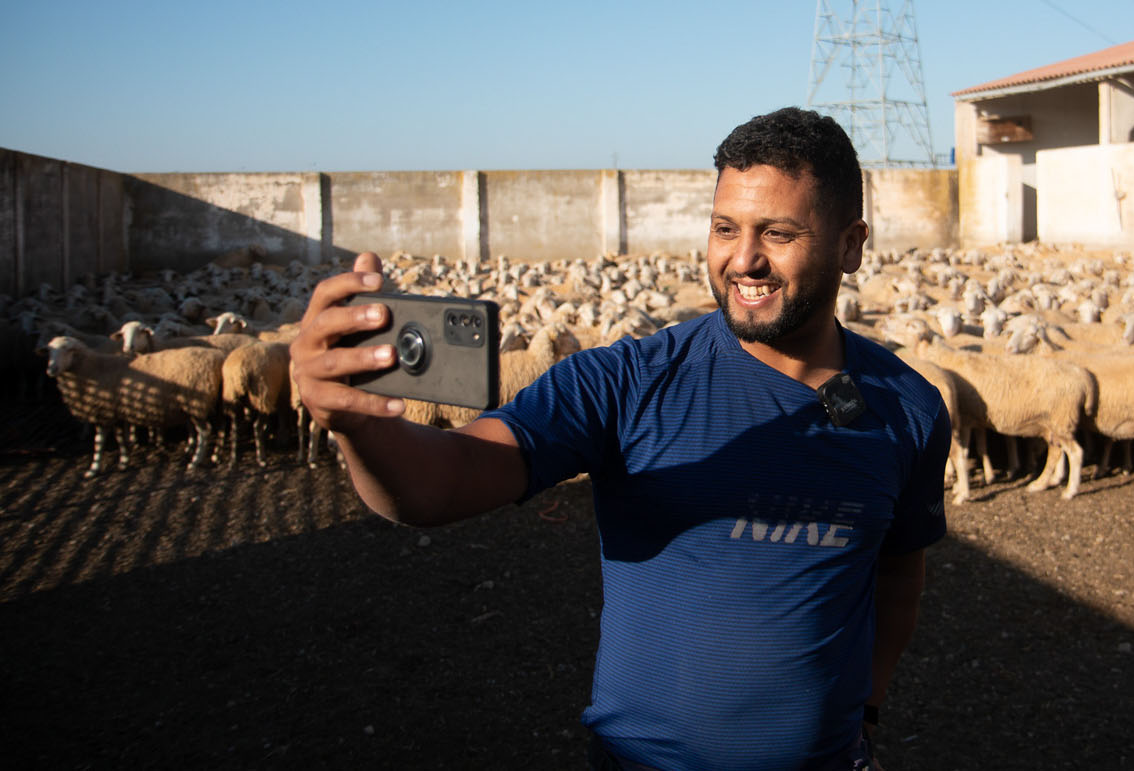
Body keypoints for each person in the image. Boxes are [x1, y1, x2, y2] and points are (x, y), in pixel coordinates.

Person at [290, 106, 951, 771]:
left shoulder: (909, 411)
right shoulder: (625, 383)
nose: (743, 258)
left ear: (851, 244)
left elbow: (898, 572)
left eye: (777, 232)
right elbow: (439, 483)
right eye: (725, 228)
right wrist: (358, 422)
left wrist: (866, 711)